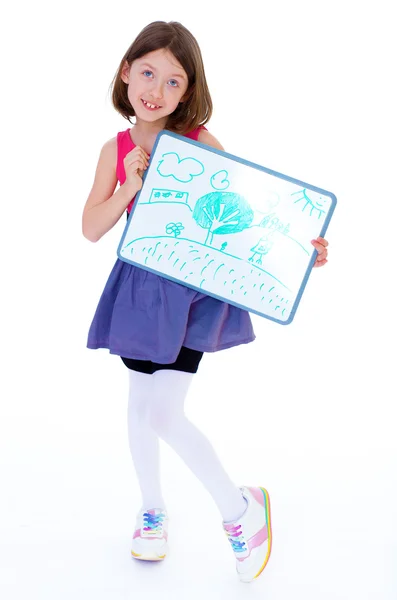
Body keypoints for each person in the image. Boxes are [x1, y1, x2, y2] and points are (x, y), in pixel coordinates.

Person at [82, 21, 329, 583]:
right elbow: (90, 227)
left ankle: (242, 510)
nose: (157, 90)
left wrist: (298, 248)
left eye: (174, 81)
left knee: (165, 411)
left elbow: (246, 217)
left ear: (187, 91)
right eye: (147, 73)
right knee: (139, 404)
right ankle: (152, 512)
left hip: (193, 289)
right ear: (126, 73)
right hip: (140, 288)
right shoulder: (115, 148)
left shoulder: (199, 142)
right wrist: (128, 187)